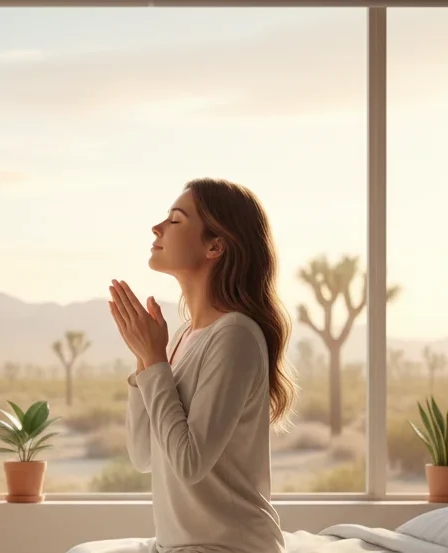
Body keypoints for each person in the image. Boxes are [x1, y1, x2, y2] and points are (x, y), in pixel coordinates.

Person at [67, 177, 297, 553]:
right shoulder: (182, 337)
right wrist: (145, 360)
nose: (157, 228)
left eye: (175, 220)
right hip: (175, 545)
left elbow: (189, 463)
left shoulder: (235, 335)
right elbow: (143, 455)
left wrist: (155, 360)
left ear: (215, 246)